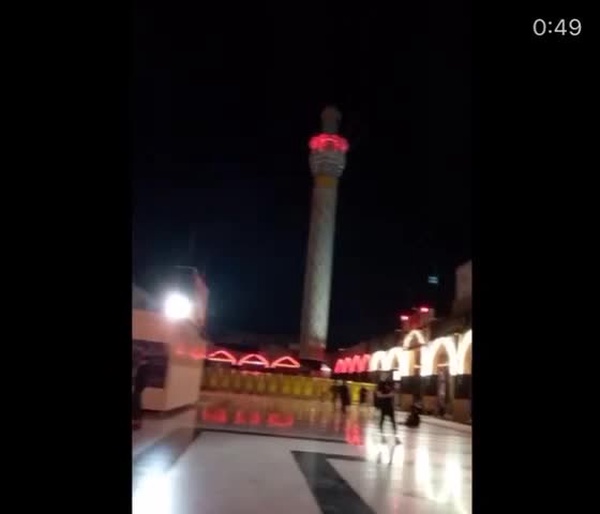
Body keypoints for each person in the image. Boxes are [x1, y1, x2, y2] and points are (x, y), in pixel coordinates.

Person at [376, 378, 400, 443]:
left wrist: (394, 405)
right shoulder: (381, 386)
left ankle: (396, 438)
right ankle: (382, 436)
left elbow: (393, 394)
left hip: (389, 406)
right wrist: (388, 395)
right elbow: (379, 395)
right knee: (382, 421)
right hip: (384, 406)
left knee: (393, 422)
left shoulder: (391, 386)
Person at [132, 356, 149, 430]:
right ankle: (137, 422)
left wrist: (138, 388)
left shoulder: (143, 367)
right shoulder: (141, 367)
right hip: (137, 388)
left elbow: (142, 380)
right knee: (136, 405)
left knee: (136, 405)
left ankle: (137, 422)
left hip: (136, 388)